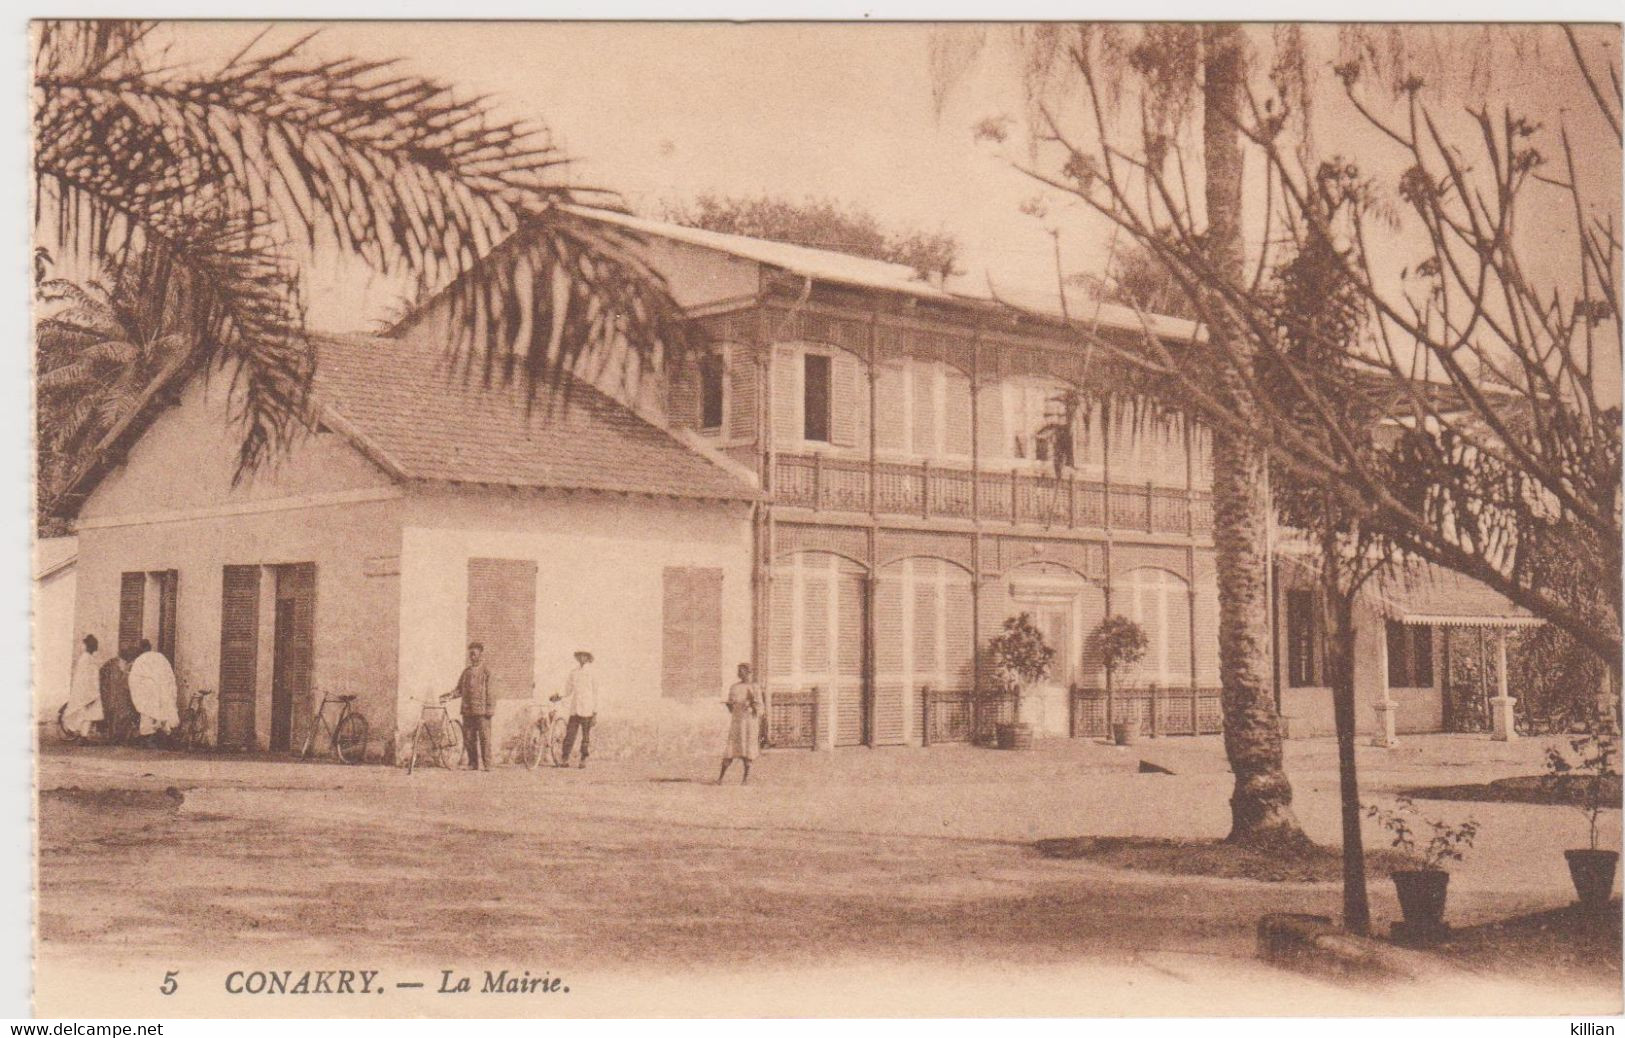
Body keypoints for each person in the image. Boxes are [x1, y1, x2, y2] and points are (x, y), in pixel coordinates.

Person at [447, 642, 493, 771]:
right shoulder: (466, 672)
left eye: (474, 654)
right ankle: (473, 763)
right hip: (467, 710)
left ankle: (487, 764)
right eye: (470, 654)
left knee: (485, 738)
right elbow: (459, 689)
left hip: (482, 711)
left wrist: (489, 709)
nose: (471, 657)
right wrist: (450, 695)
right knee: (468, 738)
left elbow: (491, 692)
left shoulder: (486, 672)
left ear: (480, 654)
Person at [552, 651, 597, 769]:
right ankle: (565, 758)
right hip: (575, 708)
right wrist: (559, 695)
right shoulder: (574, 672)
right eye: (580, 656)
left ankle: (583, 759)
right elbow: (568, 689)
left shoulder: (592, 673)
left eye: (584, 656)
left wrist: (595, 712)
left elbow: (596, 693)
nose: (582, 658)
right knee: (570, 734)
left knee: (585, 736)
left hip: (588, 709)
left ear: (588, 658)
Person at [718, 662, 761, 785]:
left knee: (747, 750)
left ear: (748, 672)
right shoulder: (734, 687)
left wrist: (752, 706)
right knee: (731, 750)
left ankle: (745, 779)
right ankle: (720, 778)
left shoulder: (755, 687)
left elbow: (760, 707)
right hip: (737, 722)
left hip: (749, 723)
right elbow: (731, 709)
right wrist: (730, 705)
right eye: (738, 671)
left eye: (741, 671)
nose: (739, 673)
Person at [129, 639, 180, 740]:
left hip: (148, 692)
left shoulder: (140, 660)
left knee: (148, 714)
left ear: (141, 648)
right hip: (162, 690)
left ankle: (148, 737)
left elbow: (134, 678)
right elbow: (169, 675)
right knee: (164, 711)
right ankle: (166, 735)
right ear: (150, 647)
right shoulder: (161, 657)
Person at [60, 635, 104, 739]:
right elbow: (87, 679)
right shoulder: (86, 659)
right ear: (90, 646)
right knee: (87, 714)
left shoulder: (87, 658)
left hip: (89, 691)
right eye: (94, 645)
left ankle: (82, 735)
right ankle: (81, 735)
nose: (96, 647)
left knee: (86, 715)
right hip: (88, 692)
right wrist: (91, 694)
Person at [98, 648, 136, 745]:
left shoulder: (117, 664)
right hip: (115, 694)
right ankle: (116, 738)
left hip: (117, 695)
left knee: (118, 716)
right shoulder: (116, 664)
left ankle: (116, 737)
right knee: (117, 716)